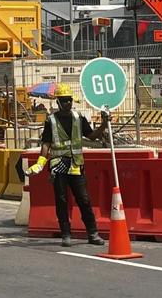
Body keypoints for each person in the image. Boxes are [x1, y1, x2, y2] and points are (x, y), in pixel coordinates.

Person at [24, 83, 107, 247]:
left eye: (69, 100)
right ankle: (66, 234)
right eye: (64, 100)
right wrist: (40, 163)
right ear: (58, 102)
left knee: (83, 199)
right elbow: (46, 144)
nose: (68, 103)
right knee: (61, 200)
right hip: (58, 165)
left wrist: (105, 123)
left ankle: (93, 233)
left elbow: (92, 136)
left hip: (76, 165)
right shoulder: (51, 121)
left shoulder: (78, 118)